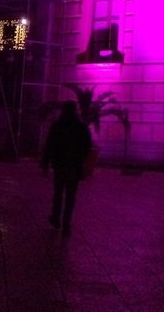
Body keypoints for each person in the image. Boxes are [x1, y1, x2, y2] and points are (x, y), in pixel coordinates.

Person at [41, 101, 93, 235]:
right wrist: (81, 159)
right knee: (71, 195)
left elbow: (49, 145)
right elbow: (87, 146)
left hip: (59, 164)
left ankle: (56, 218)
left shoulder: (57, 125)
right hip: (74, 165)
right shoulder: (80, 126)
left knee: (58, 193)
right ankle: (66, 223)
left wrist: (45, 164)